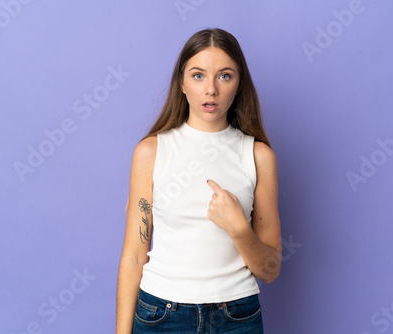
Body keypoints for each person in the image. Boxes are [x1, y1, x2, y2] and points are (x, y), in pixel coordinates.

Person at [116, 28, 281, 334]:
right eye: (198, 75)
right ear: (181, 82)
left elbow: (270, 271)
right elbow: (134, 255)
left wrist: (239, 230)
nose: (211, 90)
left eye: (225, 76)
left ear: (238, 84)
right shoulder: (150, 152)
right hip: (161, 316)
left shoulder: (258, 156)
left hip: (237, 317)